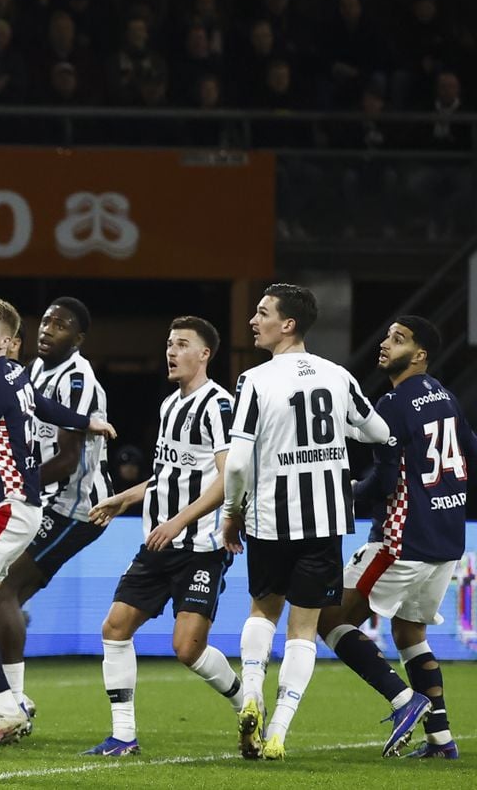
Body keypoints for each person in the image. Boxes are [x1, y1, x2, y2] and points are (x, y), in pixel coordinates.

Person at [0, 297, 115, 747]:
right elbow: (45, 408)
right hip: (0, 504)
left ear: (6, 342)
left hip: (10, 505)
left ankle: (7, 705)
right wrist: (87, 420)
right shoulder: (15, 373)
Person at [222, 283, 390, 760]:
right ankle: (277, 731)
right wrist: (343, 427)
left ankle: (250, 692)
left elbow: (235, 465)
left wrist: (232, 515)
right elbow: (377, 430)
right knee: (303, 630)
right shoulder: (337, 375)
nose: (254, 321)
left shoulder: (256, 380)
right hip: (325, 521)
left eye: (262, 313)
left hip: (271, 518)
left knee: (262, 612)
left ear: (287, 324)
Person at [85, 316, 243, 756]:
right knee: (115, 628)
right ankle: (123, 736)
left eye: (182, 344)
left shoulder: (218, 405)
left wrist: (178, 520)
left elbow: (226, 479)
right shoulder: (169, 406)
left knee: (187, 649)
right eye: (169, 344)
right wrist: (125, 498)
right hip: (157, 545)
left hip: (200, 548)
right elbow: (167, 476)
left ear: (204, 354)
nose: (171, 352)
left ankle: (245, 701)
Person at [316, 317, 466, 759]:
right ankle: (441, 740)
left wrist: (345, 496)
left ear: (419, 355)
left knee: (328, 618)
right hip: (446, 540)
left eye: (398, 340)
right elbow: (469, 451)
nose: (385, 344)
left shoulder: (394, 403)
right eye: (386, 335)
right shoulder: (448, 397)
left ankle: (404, 699)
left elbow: (384, 478)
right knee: (408, 632)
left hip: (402, 540)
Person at [0, 297, 112, 717]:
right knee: (3, 593)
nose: (47, 330)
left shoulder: (76, 379)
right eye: (45, 321)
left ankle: (12, 704)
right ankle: (6, 698)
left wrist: (12, 483)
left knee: (1, 585)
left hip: (74, 507)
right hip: (45, 497)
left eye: (60, 326)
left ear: (77, 339)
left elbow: (67, 460)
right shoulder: (38, 369)